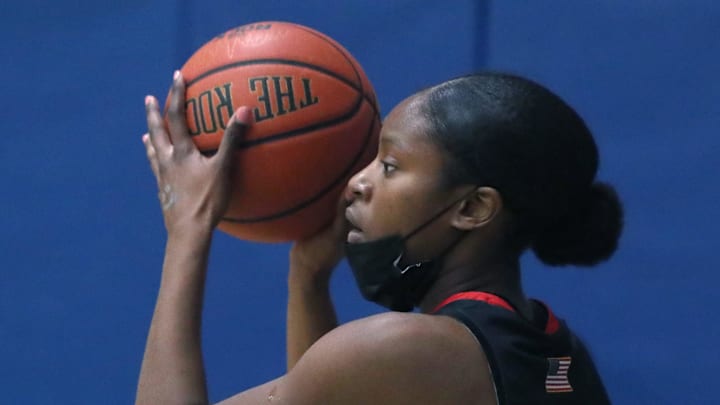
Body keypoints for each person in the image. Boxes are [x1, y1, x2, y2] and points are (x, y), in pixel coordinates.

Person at [137, 70, 622, 404]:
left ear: (474, 208)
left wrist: (189, 227)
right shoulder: (560, 350)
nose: (356, 182)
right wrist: (308, 277)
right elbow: (334, 391)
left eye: (389, 165)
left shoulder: (406, 347)